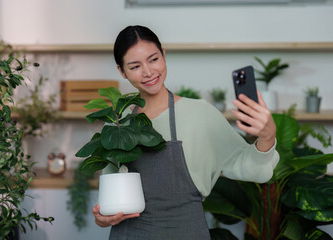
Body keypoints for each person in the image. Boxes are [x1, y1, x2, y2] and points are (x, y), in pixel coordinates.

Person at [92, 25, 279, 240]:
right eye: (135, 66)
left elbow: (254, 169)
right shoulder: (117, 124)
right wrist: (102, 218)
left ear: (163, 55)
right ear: (121, 71)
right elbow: (108, 203)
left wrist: (267, 136)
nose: (148, 72)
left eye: (153, 59)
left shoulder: (201, 114)